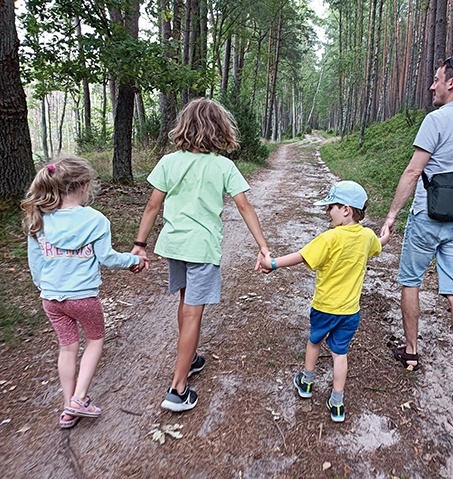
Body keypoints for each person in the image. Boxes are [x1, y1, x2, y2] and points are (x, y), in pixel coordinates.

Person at [132, 98, 270, 412]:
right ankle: (177, 389)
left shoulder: (169, 161)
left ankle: (190, 357)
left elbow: (153, 205)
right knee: (194, 312)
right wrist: (262, 245)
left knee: (185, 302)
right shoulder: (223, 165)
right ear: (220, 129)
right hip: (202, 248)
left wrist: (140, 243)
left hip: (174, 245)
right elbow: (244, 206)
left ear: (185, 127)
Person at [380, 54, 453, 405]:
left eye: (437, 79)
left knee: (411, 280)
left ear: (451, 82)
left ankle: (411, 351)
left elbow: (413, 172)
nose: (432, 86)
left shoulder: (435, 120)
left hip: (426, 216)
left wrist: (392, 214)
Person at [22, 157, 147, 429]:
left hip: (52, 299)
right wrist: (134, 261)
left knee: (67, 347)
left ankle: (68, 408)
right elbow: (107, 258)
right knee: (95, 341)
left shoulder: (40, 218)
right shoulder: (95, 220)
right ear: (84, 186)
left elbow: (36, 263)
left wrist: (45, 287)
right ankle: (79, 398)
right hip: (84, 298)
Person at [260, 181, 390, 422]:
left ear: (346, 210)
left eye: (331, 207)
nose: (328, 212)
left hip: (324, 307)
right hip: (351, 311)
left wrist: (273, 263)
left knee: (314, 342)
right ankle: (337, 403)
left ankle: (307, 383)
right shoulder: (366, 237)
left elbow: (301, 256)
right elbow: (378, 244)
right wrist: (385, 236)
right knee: (340, 353)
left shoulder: (329, 238)